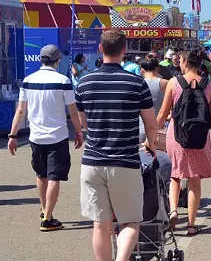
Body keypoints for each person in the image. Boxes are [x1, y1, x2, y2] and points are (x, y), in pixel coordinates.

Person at [75, 30, 158, 260]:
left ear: (100, 49)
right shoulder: (136, 83)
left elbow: (84, 124)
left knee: (100, 225)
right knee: (130, 221)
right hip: (124, 162)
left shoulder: (84, 83)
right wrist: (150, 144)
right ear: (124, 50)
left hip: (92, 162)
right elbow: (151, 123)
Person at [7, 45, 84, 232]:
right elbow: (73, 112)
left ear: (41, 60)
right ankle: (48, 218)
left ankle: (44, 210)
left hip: (36, 136)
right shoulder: (63, 81)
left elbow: (20, 110)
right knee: (55, 176)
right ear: (57, 61)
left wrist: (13, 135)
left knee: (41, 175)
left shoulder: (28, 80)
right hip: (57, 136)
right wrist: (79, 132)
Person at [157, 49, 211, 235]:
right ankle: (191, 224)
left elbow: (163, 112)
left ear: (184, 62)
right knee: (194, 180)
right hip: (200, 136)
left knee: (175, 176)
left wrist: (153, 134)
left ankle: (174, 210)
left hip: (176, 135)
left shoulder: (174, 82)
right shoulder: (208, 85)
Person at [138, 55, 172, 183]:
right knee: (164, 162)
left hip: (140, 130)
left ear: (142, 70)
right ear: (157, 69)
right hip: (161, 131)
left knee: (141, 163)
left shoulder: (137, 84)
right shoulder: (165, 83)